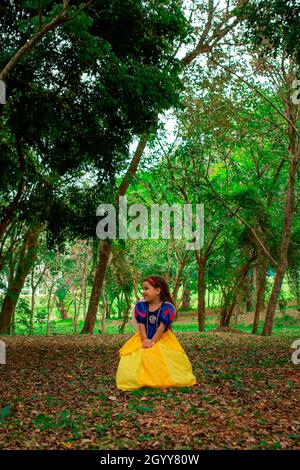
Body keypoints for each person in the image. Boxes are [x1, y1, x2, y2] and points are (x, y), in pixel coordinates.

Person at [116, 275, 197, 391]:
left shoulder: (167, 307)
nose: (143, 292)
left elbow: (161, 328)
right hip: (143, 336)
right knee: (137, 356)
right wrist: (145, 340)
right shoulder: (141, 306)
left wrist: (152, 341)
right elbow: (141, 324)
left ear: (158, 290)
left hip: (161, 337)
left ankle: (160, 379)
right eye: (142, 289)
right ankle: (138, 378)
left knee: (161, 357)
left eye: (146, 289)